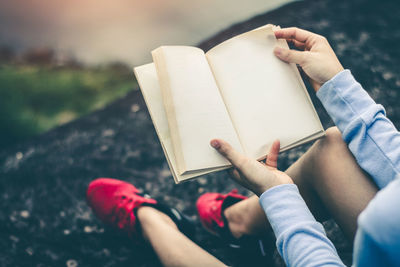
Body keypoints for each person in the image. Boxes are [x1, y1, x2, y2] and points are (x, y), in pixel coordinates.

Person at [86, 27, 400, 266]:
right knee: (333, 144)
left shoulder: (381, 228)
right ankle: (240, 222)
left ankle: (152, 221)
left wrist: (277, 194)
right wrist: (337, 84)